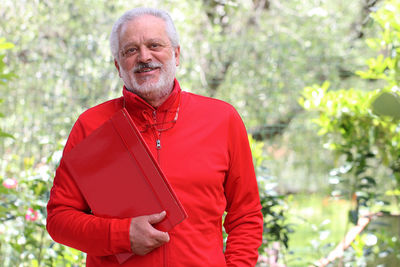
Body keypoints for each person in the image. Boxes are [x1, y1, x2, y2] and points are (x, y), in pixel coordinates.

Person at [46, 7, 263, 267]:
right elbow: (59, 219)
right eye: (131, 50)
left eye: (154, 45)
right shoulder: (91, 125)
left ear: (176, 54)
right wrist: (122, 235)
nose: (144, 57)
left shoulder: (222, 119)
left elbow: (246, 215)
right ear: (118, 65)